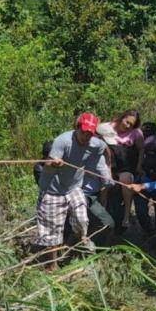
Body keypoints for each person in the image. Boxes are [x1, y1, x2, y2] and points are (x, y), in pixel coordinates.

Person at [37, 113, 105, 270]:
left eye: (90, 134)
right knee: (52, 230)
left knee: (82, 221)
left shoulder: (96, 144)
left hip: (74, 187)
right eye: (84, 132)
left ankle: (71, 245)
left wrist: (93, 167)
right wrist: (53, 164)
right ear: (77, 128)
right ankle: (52, 265)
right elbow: (47, 168)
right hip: (52, 190)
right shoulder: (63, 141)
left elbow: (103, 148)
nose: (87, 136)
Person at [35, 136, 115, 246]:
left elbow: (107, 181)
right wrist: (54, 167)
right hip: (61, 197)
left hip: (84, 195)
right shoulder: (40, 167)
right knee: (57, 228)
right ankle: (69, 243)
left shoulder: (77, 158)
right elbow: (47, 186)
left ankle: (82, 241)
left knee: (101, 223)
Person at [109, 111, 145, 230]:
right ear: (122, 118)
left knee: (126, 179)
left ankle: (126, 216)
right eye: (127, 122)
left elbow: (141, 150)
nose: (128, 125)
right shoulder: (110, 127)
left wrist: (139, 166)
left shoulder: (136, 133)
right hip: (109, 164)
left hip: (126, 165)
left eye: (131, 124)